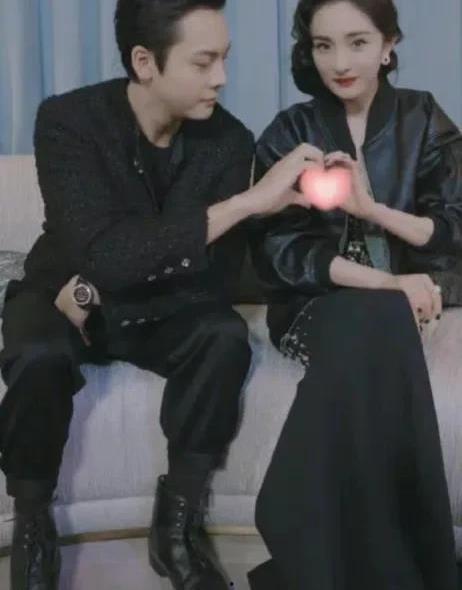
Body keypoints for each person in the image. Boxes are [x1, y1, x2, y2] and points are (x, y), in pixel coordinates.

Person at [0, 1, 316, 588]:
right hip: (55, 294)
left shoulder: (229, 140)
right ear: (145, 62)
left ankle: (175, 525)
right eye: (203, 62)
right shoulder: (68, 121)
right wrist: (238, 207)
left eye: (224, 59)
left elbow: (214, 279)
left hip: (100, 296)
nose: (221, 77)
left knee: (223, 337)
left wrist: (96, 290)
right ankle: (33, 522)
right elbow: (103, 249)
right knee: (37, 355)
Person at [247, 1, 462, 589]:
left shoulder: (423, 117)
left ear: (389, 46)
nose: (339, 62)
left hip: (407, 301)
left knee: (381, 321)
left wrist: (372, 210)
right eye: (323, 45)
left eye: (358, 43)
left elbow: (452, 226)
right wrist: (391, 284)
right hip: (320, 305)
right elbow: (281, 253)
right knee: (378, 317)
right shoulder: (291, 132)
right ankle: (419, 569)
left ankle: (302, 527)